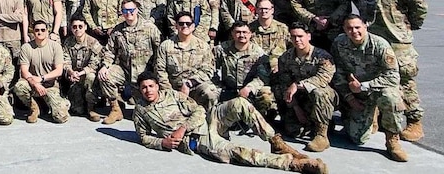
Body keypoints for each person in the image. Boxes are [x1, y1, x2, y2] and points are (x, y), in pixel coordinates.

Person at [132, 72, 327, 174]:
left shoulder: (172, 95)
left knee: (240, 103)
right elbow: (143, 136)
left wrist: (183, 127)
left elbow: (198, 110)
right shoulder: (140, 110)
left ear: (157, 86)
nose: (148, 90)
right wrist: (162, 143)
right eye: (144, 88)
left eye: (151, 86)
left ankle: (276, 142)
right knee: (240, 152)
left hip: (206, 121)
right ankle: (295, 165)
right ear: (140, 90)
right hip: (198, 139)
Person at [349, 0, 427, 142]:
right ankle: (375, 119)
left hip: (397, 41)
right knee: (373, 78)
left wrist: (409, 26)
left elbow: (419, 6)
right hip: (372, 42)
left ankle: (414, 121)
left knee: (405, 80)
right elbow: (357, 4)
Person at [331, 14, 407, 162]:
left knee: (391, 98)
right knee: (357, 138)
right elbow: (338, 74)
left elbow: (393, 77)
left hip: (377, 90)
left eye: (357, 27)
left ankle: (392, 140)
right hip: (356, 93)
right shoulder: (339, 43)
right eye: (350, 28)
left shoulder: (380, 45)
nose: (354, 31)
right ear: (344, 29)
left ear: (365, 26)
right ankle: (369, 117)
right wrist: (349, 98)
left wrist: (364, 86)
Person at [273, 22, 337, 152]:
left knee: (321, 92)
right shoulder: (285, 58)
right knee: (293, 131)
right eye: (293, 36)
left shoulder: (322, 56)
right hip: (299, 100)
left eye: (300, 36)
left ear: (309, 36)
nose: (297, 40)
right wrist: (296, 108)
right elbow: (285, 84)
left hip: (318, 97)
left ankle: (321, 134)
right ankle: (312, 122)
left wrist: (298, 85)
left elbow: (323, 78)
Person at [97, 0, 161, 124]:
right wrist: (105, 66)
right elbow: (110, 51)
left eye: (131, 10)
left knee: (147, 114)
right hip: (125, 70)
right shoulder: (118, 30)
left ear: (136, 10)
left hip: (144, 74)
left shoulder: (149, 28)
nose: (128, 13)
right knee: (105, 76)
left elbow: (159, 51)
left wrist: (155, 73)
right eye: (125, 10)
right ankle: (115, 108)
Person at [154, 11, 217, 111]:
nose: (184, 26)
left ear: (193, 26)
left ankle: (208, 121)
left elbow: (208, 70)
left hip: (195, 86)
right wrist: (169, 91)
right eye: (181, 23)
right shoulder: (166, 46)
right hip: (172, 88)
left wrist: (189, 83)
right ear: (176, 26)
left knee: (210, 92)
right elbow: (160, 70)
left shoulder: (203, 46)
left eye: (188, 23)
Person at [13, 20, 70, 124]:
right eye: (37, 30)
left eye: (43, 30)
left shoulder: (55, 47)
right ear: (33, 32)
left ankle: (60, 103)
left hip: (50, 86)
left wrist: (42, 78)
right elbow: (24, 71)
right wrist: (35, 83)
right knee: (20, 86)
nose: (40, 32)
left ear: (47, 31)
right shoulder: (26, 47)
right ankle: (34, 108)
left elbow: (59, 71)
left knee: (61, 118)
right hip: (33, 84)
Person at [213, 21, 274, 115]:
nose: (241, 35)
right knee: (209, 91)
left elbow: (263, 77)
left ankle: (260, 117)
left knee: (266, 94)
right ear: (232, 34)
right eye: (238, 32)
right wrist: (218, 85)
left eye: (245, 32)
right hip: (228, 90)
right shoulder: (221, 49)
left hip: (249, 91)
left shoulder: (259, 53)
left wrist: (249, 88)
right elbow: (211, 68)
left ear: (250, 34)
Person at [62, 14, 103, 121]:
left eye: (80, 26)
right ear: (71, 28)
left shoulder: (93, 42)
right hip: (74, 78)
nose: (77, 29)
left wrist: (80, 73)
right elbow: (65, 61)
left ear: (85, 27)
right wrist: (71, 72)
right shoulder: (68, 42)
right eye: (74, 27)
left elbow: (94, 64)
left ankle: (91, 108)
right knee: (77, 110)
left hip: (88, 77)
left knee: (90, 77)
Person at [249, 0, 290, 74]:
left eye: (266, 9)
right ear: (256, 10)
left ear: (272, 10)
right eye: (261, 9)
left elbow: (292, 48)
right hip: (255, 68)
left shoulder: (282, 28)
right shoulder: (249, 29)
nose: (264, 11)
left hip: (279, 68)